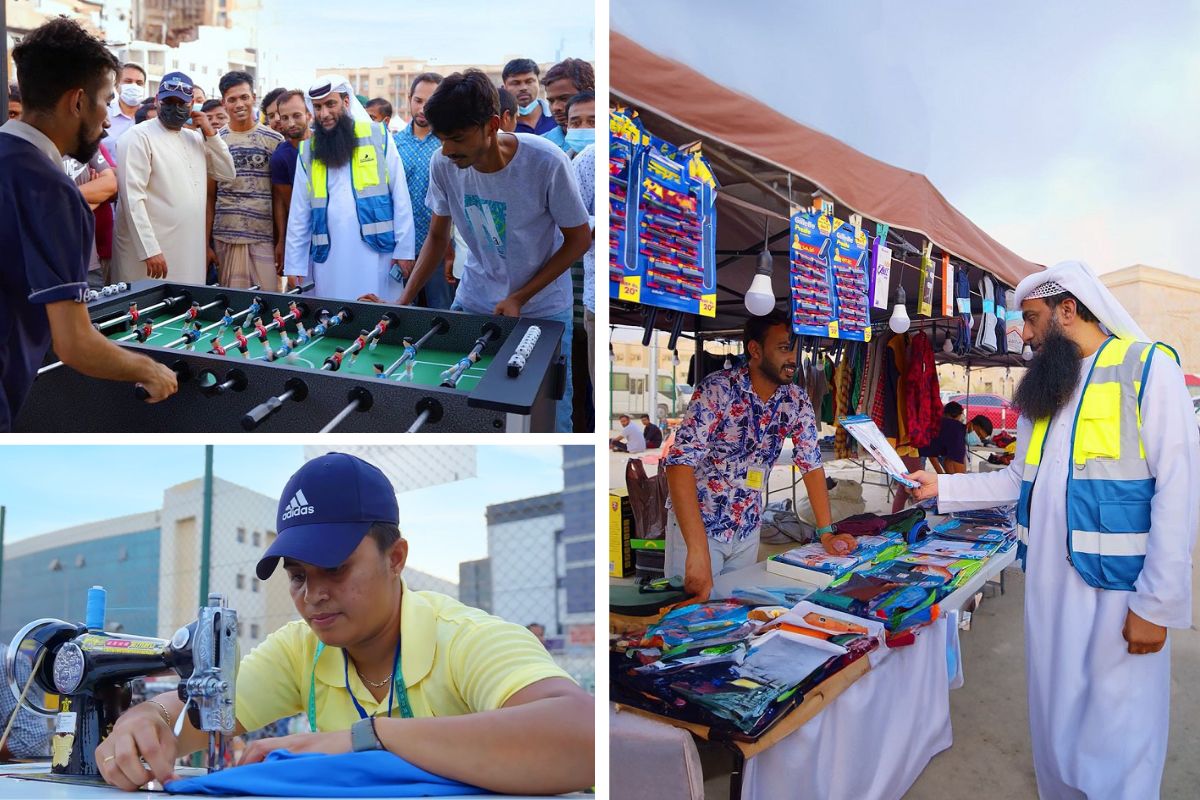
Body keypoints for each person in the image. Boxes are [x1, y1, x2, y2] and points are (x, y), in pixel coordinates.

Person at [94, 452, 594, 794]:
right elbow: (191, 714)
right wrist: (147, 722)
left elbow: (583, 738)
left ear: (395, 557)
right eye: (297, 576)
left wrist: (365, 738)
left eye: (334, 568)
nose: (313, 595)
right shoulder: (299, 650)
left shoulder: (466, 639)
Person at [906, 260, 1199, 799]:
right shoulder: (1047, 389)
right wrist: (941, 489)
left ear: (1069, 310)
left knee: (1119, 727)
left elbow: (1179, 492)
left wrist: (1156, 606)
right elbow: (1020, 481)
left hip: (1117, 594)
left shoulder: (1146, 368)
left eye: (1034, 318)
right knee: (1056, 717)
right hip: (1047, 587)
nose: (1027, 333)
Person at [371, 70, 589, 432]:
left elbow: (579, 239)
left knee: (549, 418)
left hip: (544, 310)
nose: (447, 150)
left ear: (491, 125)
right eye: (441, 139)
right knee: (458, 402)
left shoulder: (546, 161)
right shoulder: (443, 163)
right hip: (472, 300)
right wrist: (405, 299)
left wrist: (520, 296)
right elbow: (438, 238)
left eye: (456, 138)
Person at [0, 17, 177, 430]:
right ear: (77, 101)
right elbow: (75, 344)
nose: (107, 117)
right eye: (106, 100)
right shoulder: (54, 194)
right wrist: (150, 371)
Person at [665, 310, 836, 599]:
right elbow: (679, 464)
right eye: (784, 348)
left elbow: (811, 464)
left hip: (748, 526)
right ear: (755, 350)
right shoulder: (717, 389)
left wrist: (826, 531)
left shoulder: (796, 400)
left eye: (796, 348)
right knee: (688, 618)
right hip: (699, 527)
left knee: (733, 615)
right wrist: (697, 549)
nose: (794, 358)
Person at [283, 76, 415, 301]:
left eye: (330, 104)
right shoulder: (308, 151)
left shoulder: (379, 136)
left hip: (376, 253)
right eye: (317, 107)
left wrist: (404, 250)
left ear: (346, 102)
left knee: (378, 317)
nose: (324, 114)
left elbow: (400, 196)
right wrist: (294, 264)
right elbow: (299, 213)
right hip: (330, 258)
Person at [112, 71, 236, 285]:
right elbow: (133, 199)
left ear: (191, 106)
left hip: (189, 250)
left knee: (186, 311)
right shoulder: (137, 137)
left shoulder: (195, 138)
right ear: (158, 101)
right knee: (145, 312)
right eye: (169, 101)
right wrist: (149, 250)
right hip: (152, 255)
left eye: (182, 103)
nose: (175, 107)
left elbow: (227, 173)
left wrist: (211, 134)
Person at [207, 71, 284, 290]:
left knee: (268, 309)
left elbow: (279, 197)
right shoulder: (216, 141)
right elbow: (210, 196)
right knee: (232, 311)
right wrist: (206, 245)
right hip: (225, 238)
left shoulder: (273, 140)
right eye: (232, 99)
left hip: (263, 238)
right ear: (224, 103)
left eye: (244, 97)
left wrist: (281, 241)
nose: (239, 104)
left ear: (254, 97)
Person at [393, 72, 455, 309]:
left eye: (430, 103)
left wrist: (451, 251)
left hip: (443, 249)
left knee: (441, 314)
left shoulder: (449, 143)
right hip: (403, 249)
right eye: (418, 101)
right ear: (409, 99)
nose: (423, 109)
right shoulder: (394, 144)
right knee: (403, 314)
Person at [568, 98, 596, 393]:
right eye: (576, 122)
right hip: (588, 294)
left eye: (593, 121)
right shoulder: (587, 159)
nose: (585, 129)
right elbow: (569, 217)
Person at [63, 146, 117, 289]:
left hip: (89, 261)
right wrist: (94, 195)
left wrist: (62, 196)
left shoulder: (84, 141)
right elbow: (43, 204)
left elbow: (111, 184)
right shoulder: (34, 148)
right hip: (53, 265)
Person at [270, 89, 310, 271]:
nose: (291, 123)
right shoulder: (280, 157)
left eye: (297, 115)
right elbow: (288, 205)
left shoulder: (328, 145)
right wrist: (283, 241)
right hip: (305, 234)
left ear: (309, 114)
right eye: (285, 118)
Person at [540, 58, 594, 154]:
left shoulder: (616, 137)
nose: (555, 107)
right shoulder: (540, 145)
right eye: (551, 101)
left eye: (564, 98)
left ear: (588, 93)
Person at [502, 58, 556, 136]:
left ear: (538, 83)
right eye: (515, 83)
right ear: (504, 87)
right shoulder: (502, 124)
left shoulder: (557, 116)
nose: (523, 88)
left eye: (529, 81)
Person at [917, 401, 967, 475]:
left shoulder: (945, 424)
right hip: (919, 448)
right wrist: (942, 475)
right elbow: (932, 455)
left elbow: (949, 460)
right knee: (917, 472)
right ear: (958, 416)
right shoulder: (953, 428)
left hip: (924, 448)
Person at [106, 62, 146, 144]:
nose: (134, 86)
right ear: (116, 85)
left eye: (139, 83)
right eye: (128, 81)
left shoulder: (152, 115)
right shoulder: (103, 116)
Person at [564, 91, 595, 158]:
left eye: (593, 122)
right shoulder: (559, 163)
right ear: (567, 126)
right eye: (576, 123)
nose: (583, 128)